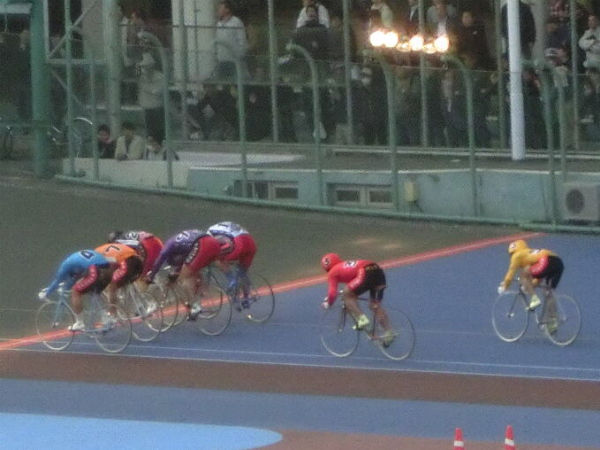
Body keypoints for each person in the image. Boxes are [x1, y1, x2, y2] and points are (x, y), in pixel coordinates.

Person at [146, 229, 222, 320]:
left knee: (185, 276)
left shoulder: (168, 246)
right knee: (194, 272)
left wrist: (151, 276)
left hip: (202, 244)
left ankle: (195, 305)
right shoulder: (181, 245)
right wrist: (177, 270)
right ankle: (200, 293)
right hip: (214, 243)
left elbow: (160, 260)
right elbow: (186, 261)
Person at [320, 253, 393, 344]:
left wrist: (328, 303)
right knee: (374, 305)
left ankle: (362, 319)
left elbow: (332, 292)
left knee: (346, 295)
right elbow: (354, 282)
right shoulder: (344, 265)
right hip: (377, 270)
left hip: (364, 272)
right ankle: (389, 332)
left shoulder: (332, 272)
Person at [497, 240, 564, 334]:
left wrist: (505, 285)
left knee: (523, 275)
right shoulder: (529, 254)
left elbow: (511, 272)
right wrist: (530, 286)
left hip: (546, 260)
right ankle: (552, 322)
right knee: (548, 293)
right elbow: (539, 276)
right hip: (557, 262)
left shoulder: (516, 256)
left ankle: (534, 299)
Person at [38, 250, 114, 332]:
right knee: (93, 292)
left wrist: (46, 293)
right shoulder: (76, 261)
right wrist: (67, 286)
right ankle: (106, 317)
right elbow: (75, 278)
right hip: (109, 271)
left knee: (75, 292)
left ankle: (80, 323)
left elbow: (57, 281)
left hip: (96, 270)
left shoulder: (65, 265)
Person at [207, 222, 257, 299]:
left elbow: (227, 244)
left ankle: (231, 279)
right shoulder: (219, 228)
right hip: (250, 242)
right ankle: (247, 295)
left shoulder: (210, 235)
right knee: (242, 271)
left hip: (239, 242)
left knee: (218, 259)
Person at [95, 242, 144, 316]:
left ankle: (113, 313)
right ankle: (139, 306)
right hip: (138, 261)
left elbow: (109, 266)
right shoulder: (110, 248)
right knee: (127, 282)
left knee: (112, 287)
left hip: (126, 264)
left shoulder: (97, 255)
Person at [137, 52, 165, 144]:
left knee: (158, 131)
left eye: (147, 66)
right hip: (146, 108)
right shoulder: (142, 78)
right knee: (149, 132)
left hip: (157, 108)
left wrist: (146, 87)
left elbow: (157, 91)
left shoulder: (160, 77)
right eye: (144, 67)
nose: (145, 69)